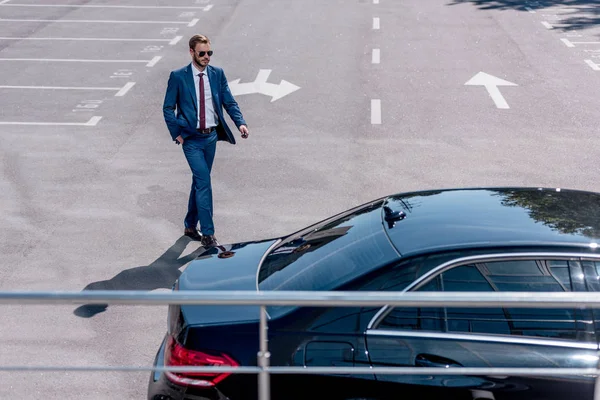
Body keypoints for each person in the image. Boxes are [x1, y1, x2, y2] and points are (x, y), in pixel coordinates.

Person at [163, 34, 249, 247]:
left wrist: (240, 123)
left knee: (199, 181)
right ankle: (208, 234)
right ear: (191, 52)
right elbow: (167, 107)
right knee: (204, 182)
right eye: (202, 53)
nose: (207, 57)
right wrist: (177, 134)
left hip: (210, 137)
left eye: (209, 53)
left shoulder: (217, 74)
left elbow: (229, 101)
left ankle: (191, 225)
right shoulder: (178, 76)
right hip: (190, 140)